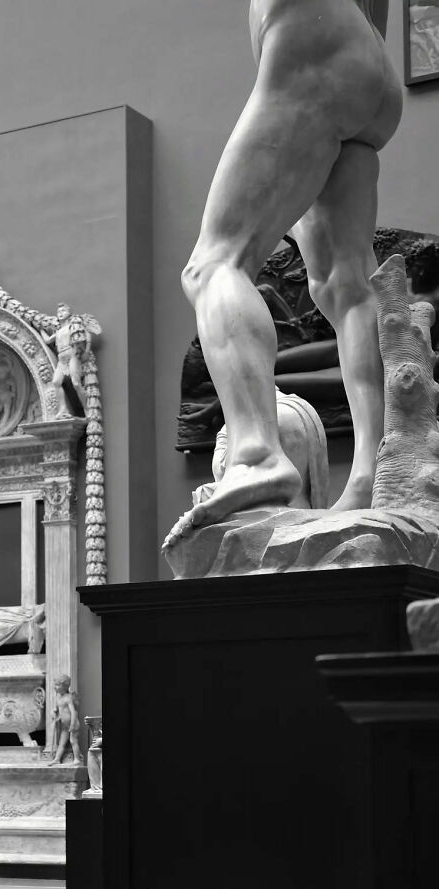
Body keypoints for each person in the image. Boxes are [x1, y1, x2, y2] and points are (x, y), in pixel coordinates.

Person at [166, 0, 403, 548]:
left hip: (309, 36)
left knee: (214, 265)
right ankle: (371, 475)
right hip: (370, 59)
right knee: (346, 284)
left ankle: (255, 454)